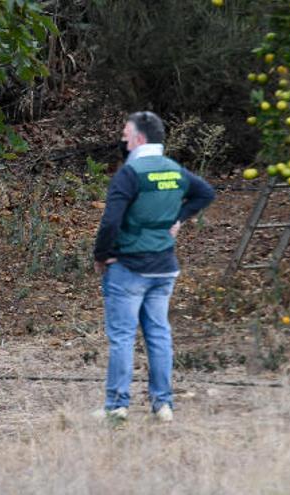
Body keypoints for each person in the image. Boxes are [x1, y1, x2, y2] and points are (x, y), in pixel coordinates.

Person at [92, 111, 215, 423]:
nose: (122, 138)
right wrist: (178, 219)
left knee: (122, 337)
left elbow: (110, 222)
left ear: (139, 139)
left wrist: (102, 255)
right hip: (164, 268)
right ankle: (163, 405)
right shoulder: (175, 170)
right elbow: (206, 193)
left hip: (129, 268)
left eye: (125, 132)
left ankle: (117, 406)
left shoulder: (130, 174)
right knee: (159, 335)